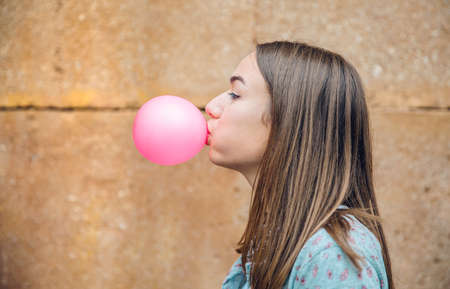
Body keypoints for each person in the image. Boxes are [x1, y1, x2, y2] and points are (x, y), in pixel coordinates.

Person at [205, 41, 395, 289]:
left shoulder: (331, 256)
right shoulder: (276, 239)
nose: (211, 107)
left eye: (235, 94)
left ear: (288, 121)